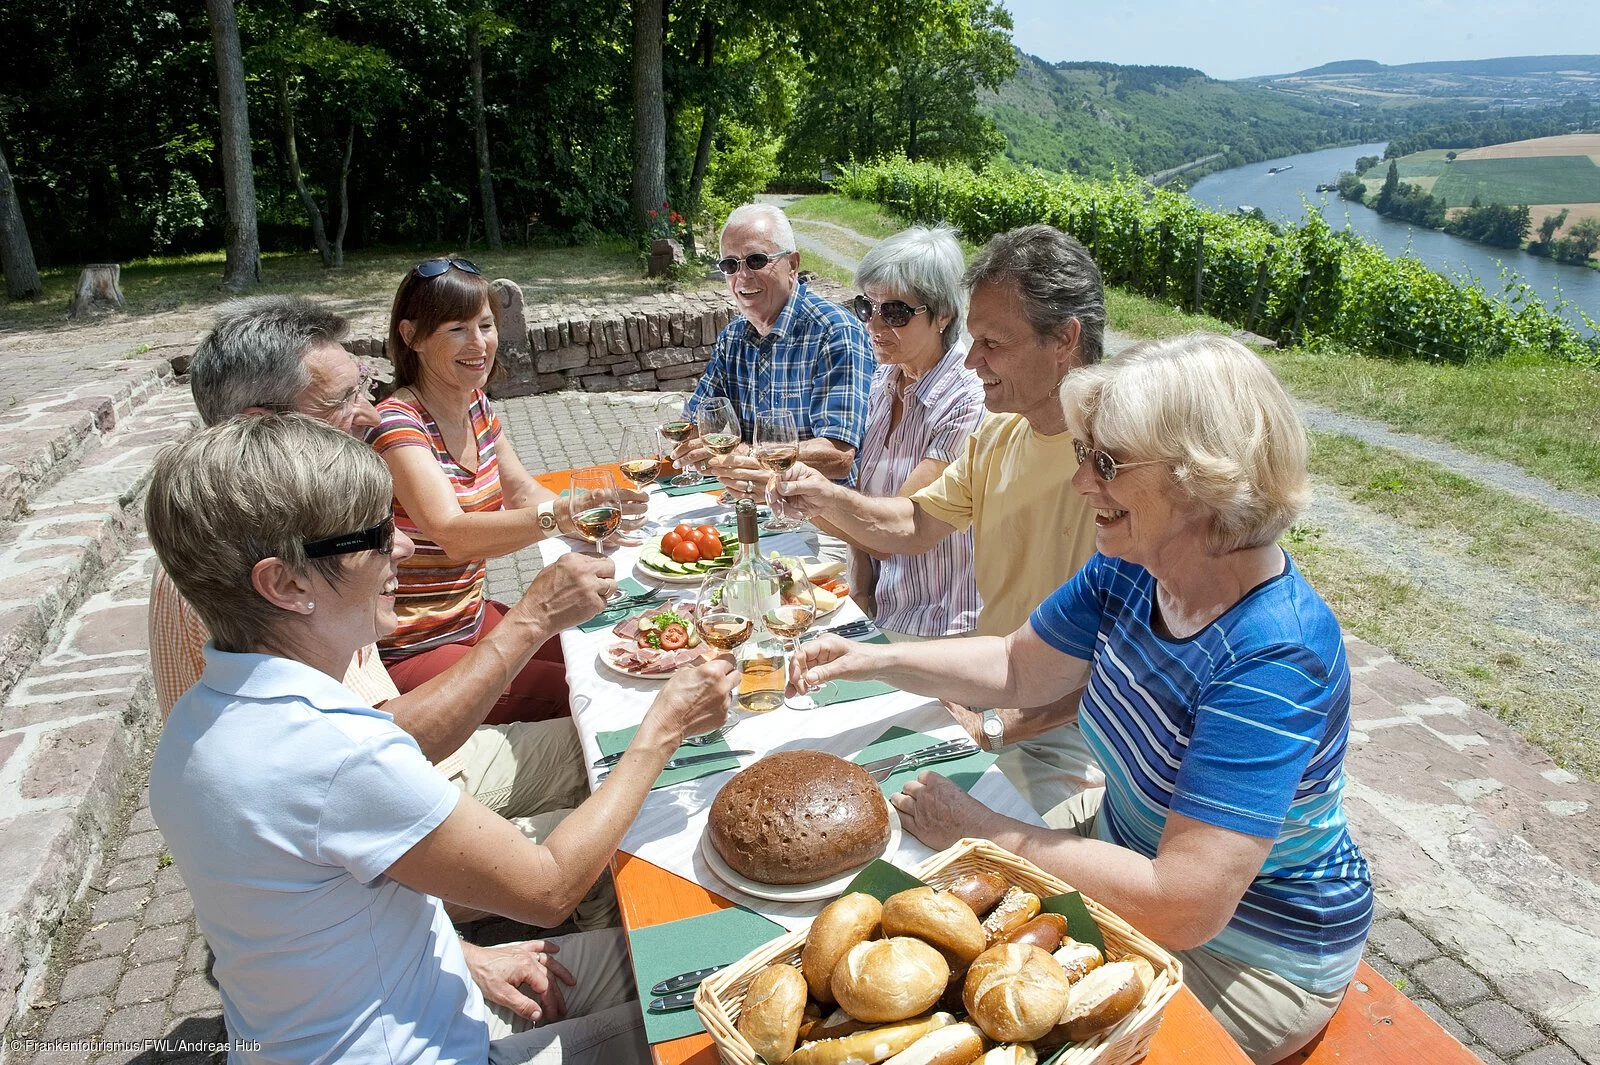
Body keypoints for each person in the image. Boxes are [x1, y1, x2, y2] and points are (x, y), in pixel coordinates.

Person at [792, 334, 1373, 1064]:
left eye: (1106, 463)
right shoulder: (1133, 567)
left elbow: (1181, 901)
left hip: (1252, 952)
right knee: (902, 920)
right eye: (1082, 455)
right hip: (1119, 850)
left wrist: (982, 826)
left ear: (1201, 479)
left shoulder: (1272, 653)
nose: (1081, 484)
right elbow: (1014, 665)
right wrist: (872, 658)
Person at [147, 414, 737, 1065]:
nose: (402, 547)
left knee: (655, 927)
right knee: (713, 956)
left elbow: (323, 917)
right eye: (374, 533)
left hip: (380, 1010)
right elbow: (547, 887)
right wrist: (664, 727)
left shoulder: (198, 722)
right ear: (286, 583)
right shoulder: (334, 748)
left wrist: (462, 952)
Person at [148, 295, 618, 928]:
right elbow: (317, 787)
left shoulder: (305, 521)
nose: (370, 413)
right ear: (264, 421)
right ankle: (620, 981)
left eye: (363, 388)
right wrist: (531, 618)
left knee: (610, 744)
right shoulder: (215, 577)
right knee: (621, 829)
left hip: (420, 776)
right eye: (339, 401)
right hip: (384, 839)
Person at [777, 224, 1105, 811]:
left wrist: (999, 726)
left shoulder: (1115, 464)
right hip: (986, 695)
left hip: (1071, 743)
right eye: (973, 340)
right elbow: (913, 525)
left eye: (993, 344)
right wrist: (824, 498)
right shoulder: (1002, 431)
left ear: (1064, 339)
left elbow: (1128, 666)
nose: (973, 361)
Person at [370, 257, 643, 723]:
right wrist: (560, 516)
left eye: (486, 325)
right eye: (457, 329)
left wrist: (590, 518)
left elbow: (518, 491)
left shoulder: (474, 402)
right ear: (410, 335)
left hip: (471, 619)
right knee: (594, 695)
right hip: (416, 646)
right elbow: (452, 533)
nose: (478, 344)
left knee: (611, 645)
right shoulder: (396, 423)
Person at [827, 224, 985, 638]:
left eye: (895, 312)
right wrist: (860, 592)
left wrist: (809, 498)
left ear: (943, 314)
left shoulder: (967, 399)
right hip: (887, 610)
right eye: (866, 307)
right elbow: (864, 499)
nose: (874, 325)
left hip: (943, 623)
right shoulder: (885, 379)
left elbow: (892, 534)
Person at [672, 203, 874, 484]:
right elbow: (698, 421)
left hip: (816, 513)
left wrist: (747, 455)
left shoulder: (834, 333)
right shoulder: (733, 338)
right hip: (745, 500)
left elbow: (838, 455)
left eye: (756, 260)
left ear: (792, 264)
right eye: (730, 265)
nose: (743, 275)